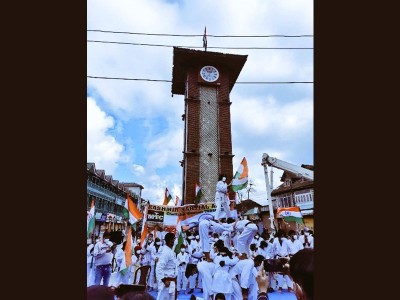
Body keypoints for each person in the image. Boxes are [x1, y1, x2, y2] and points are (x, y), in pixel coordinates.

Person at [155, 232, 177, 300]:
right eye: (174, 239)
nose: (175, 241)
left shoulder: (170, 251)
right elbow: (159, 268)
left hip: (171, 281)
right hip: (166, 282)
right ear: (171, 241)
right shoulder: (166, 252)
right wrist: (164, 280)